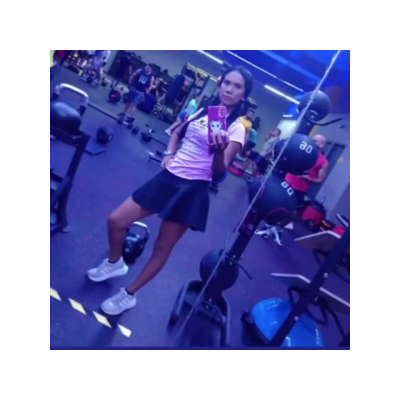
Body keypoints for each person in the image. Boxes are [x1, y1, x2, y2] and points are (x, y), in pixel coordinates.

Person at [87, 66, 254, 316]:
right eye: (227, 83)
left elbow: (219, 173)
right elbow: (177, 132)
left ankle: (129, 295)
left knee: (162, 247)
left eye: (237, 86)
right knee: (116, 220)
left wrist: (219, 151)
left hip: (193, 189)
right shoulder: (205, 111)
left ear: (243, 95)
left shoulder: (237, 128)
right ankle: (114, 262)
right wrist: (168, 153)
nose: (229, 89)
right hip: (168, 178)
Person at [257, 133, 329, 246]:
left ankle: (277, 227)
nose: (311, 141)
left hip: (299, 189)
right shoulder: (301, 150)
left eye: (315, 141)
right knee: (274, 204)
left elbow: (320, 180)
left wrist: (308, 178)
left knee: (294, 214)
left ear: (321, 146)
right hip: (286, 181)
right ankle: (268, 226)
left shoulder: (323, 161)